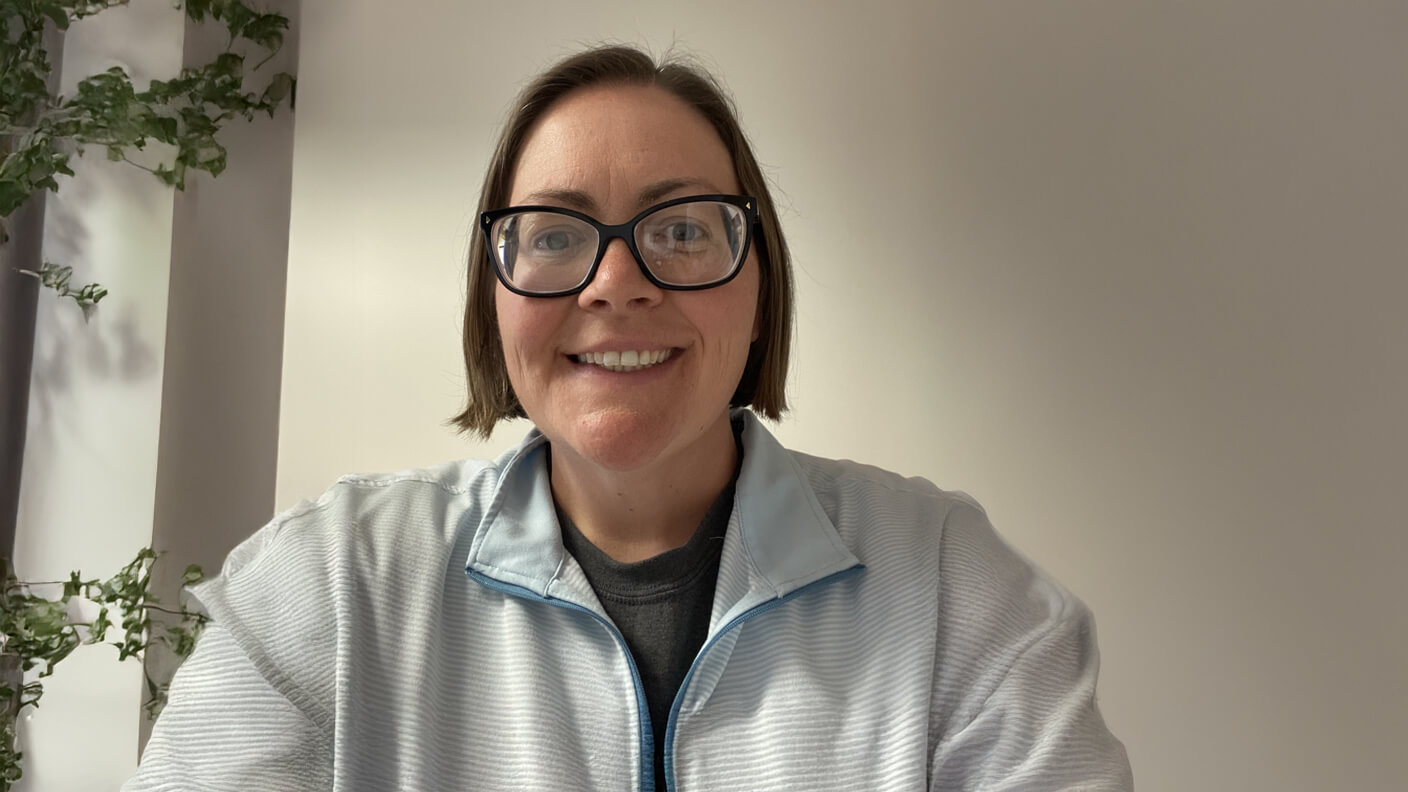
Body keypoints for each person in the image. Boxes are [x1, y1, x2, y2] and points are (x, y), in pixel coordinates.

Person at [125, 45, 1133, 791]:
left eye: (683, 230)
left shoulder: (952, 589)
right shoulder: (330, 585)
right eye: (554, 235)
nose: (615, 282)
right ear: (493, 294)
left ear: (759, 288)